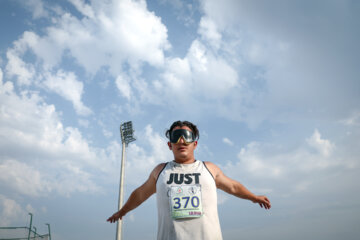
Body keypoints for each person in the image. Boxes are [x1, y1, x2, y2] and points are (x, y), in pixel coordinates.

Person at [107, 120, 271, 240]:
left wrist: (254, 197)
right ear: (169, 144)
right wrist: (123, 211)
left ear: (195, 143)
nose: (182, 141)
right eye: (176, 136)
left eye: (186, 136)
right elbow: (141, 194)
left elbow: (233, 187)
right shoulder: (160, 171)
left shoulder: (209, 168)